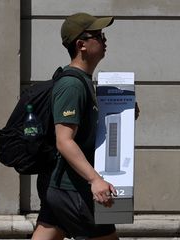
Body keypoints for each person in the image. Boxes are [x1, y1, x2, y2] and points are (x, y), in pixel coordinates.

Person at [32, 12, 122, 240]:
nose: (104, 41)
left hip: (62, 185)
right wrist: (95, 179)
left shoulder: (83, 81)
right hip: (72, 189)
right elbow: (64, 140)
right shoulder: (72, 85)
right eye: (99, 36)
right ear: (81, 44)